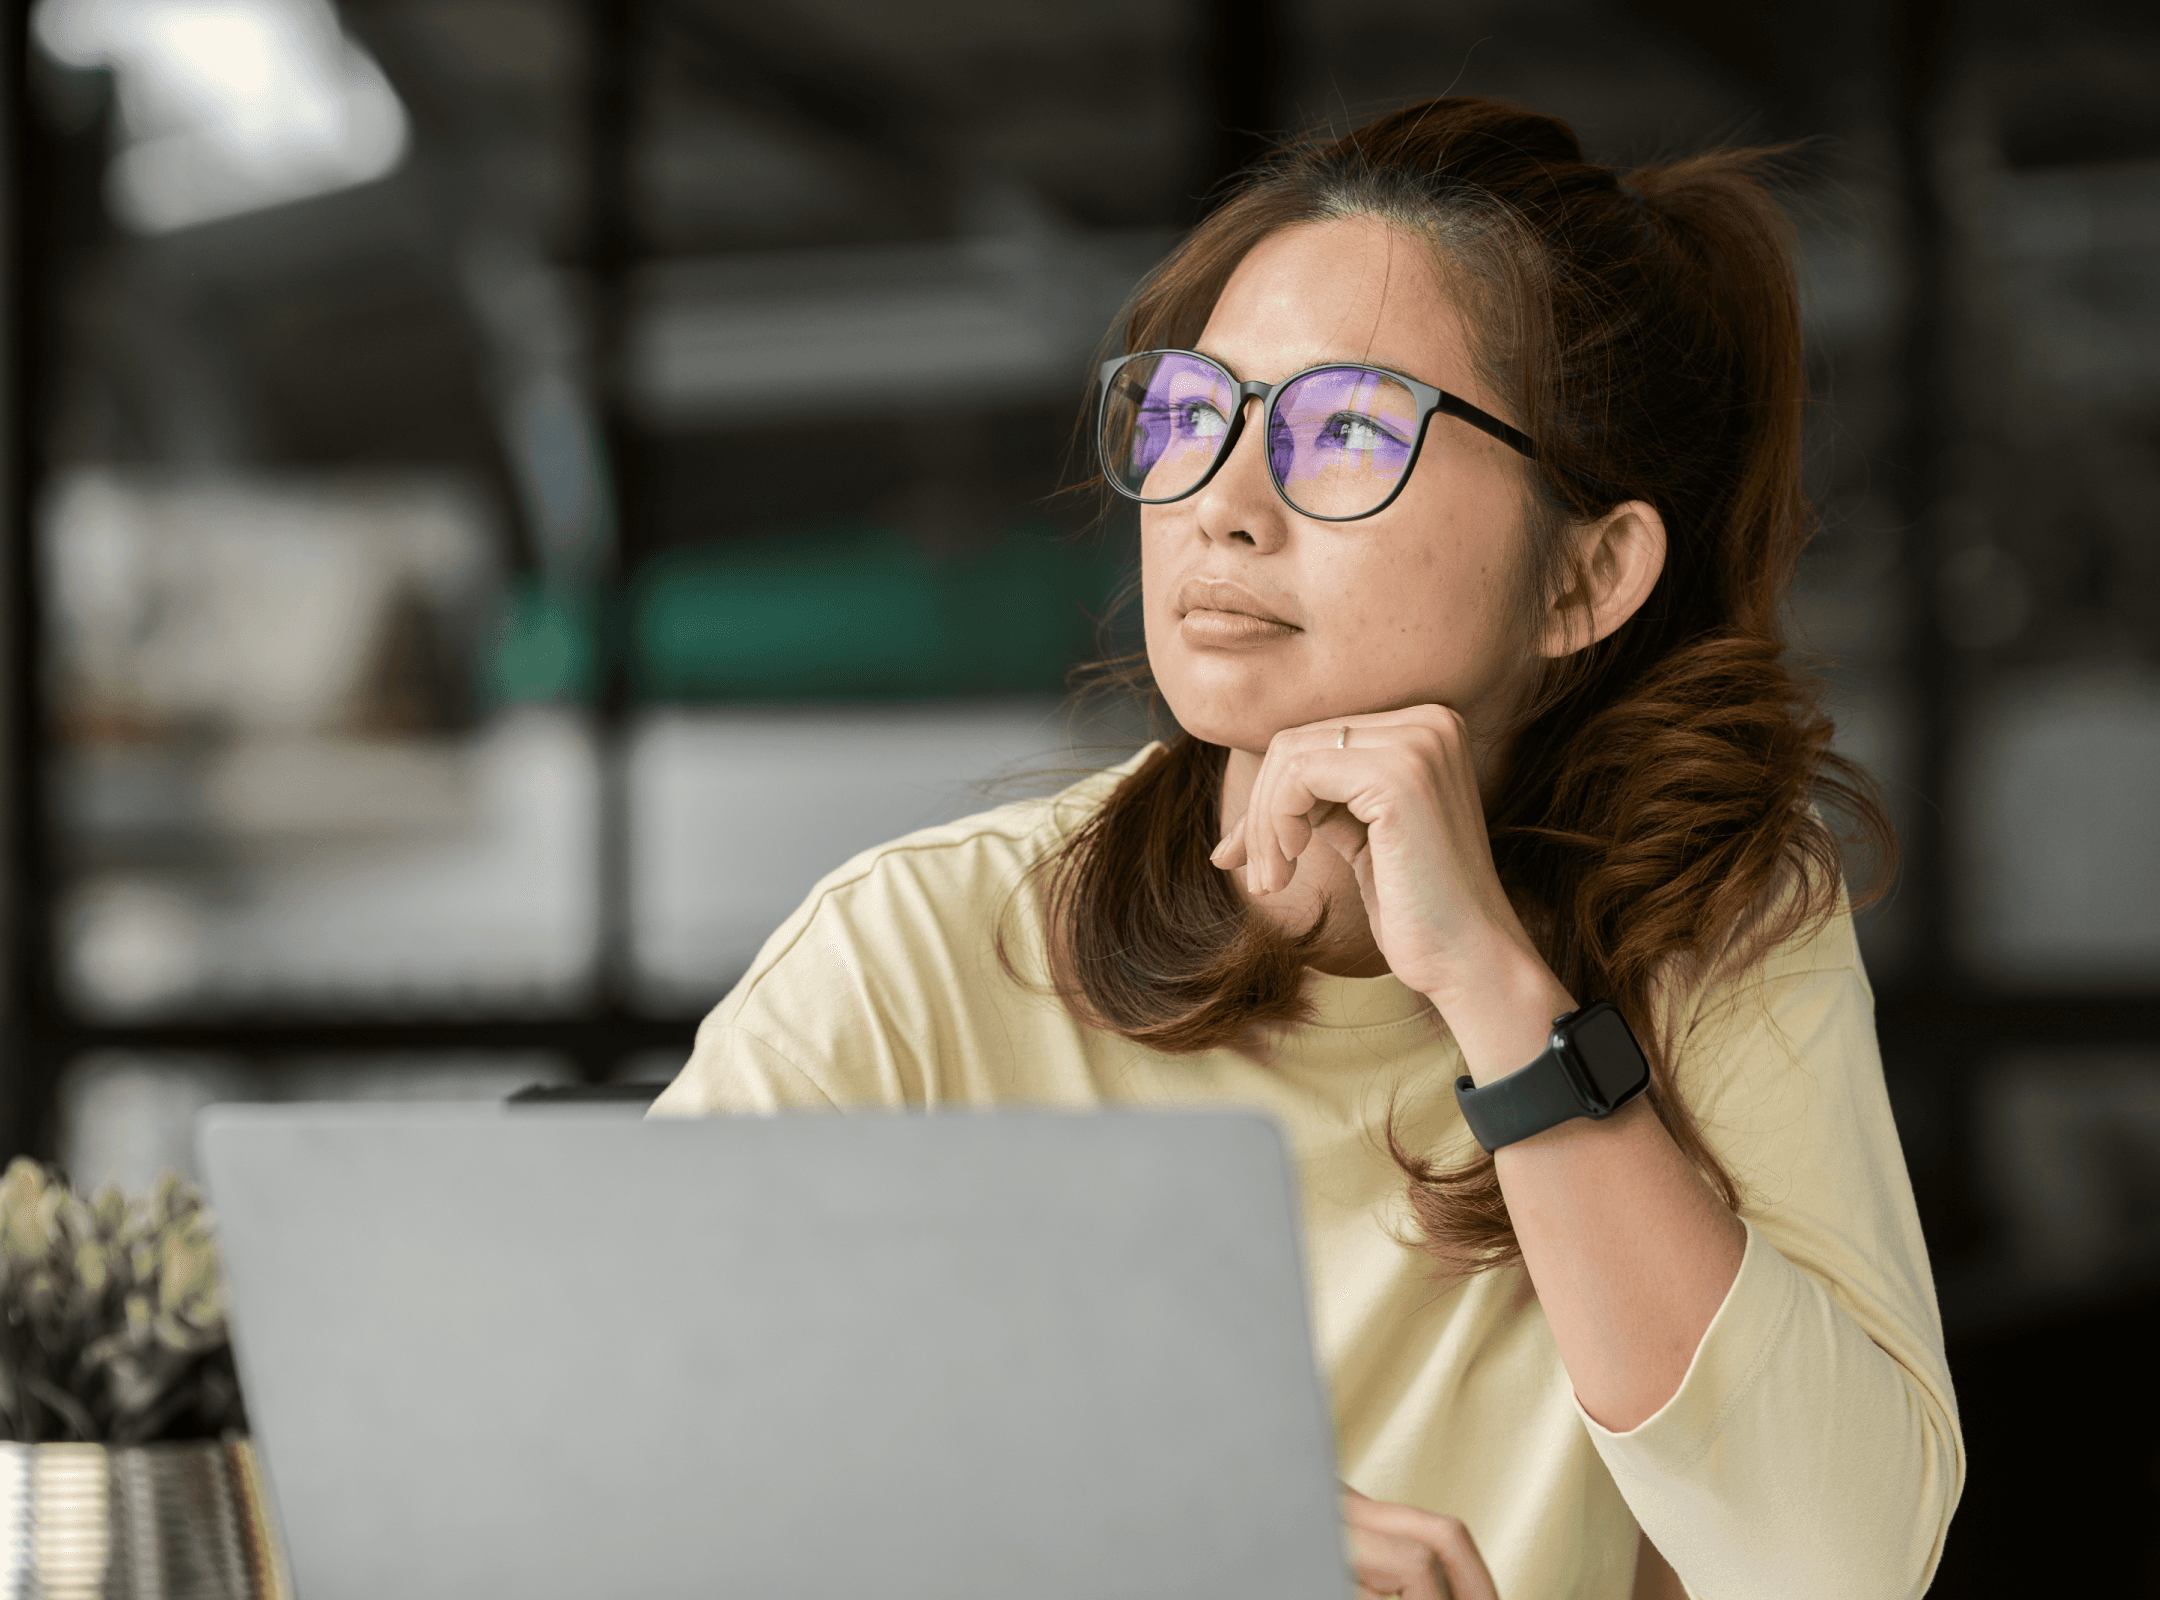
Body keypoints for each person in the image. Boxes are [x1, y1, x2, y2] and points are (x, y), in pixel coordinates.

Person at [652, 96, 1964, 1600]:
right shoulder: (922, 954)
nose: (1220, 505)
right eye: (1192, 412)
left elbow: (1841, 1565)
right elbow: (592, 1471)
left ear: (1587, 578)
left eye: (1345, 429)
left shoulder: (1712, 933)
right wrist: (1158, 1536)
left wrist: (1499, 996)